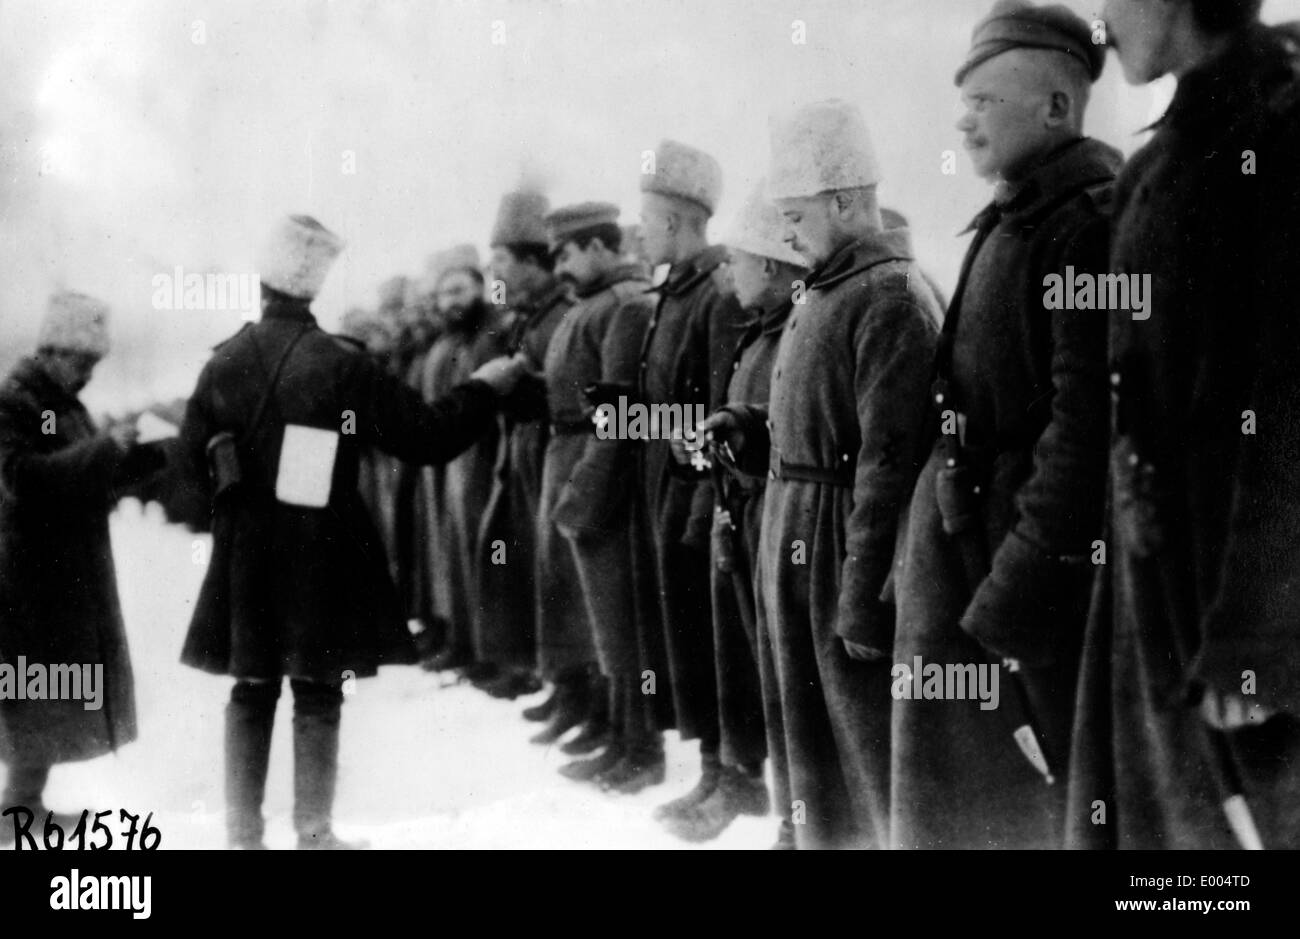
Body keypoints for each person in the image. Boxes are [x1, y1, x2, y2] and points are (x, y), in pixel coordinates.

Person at [176, 215, 525, 849]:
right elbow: (425, 436)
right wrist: (483, 387)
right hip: (320, 551)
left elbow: (185, 476)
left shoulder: (221, 364)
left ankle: (241, 836)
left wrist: (236, 507)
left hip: (247, 555)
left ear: (263, 282)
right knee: (316, 689)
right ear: (316, 284)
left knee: (250, 688)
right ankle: (314, 833)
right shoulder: (340, 363)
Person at [1068, 0, 1300, 849]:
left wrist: (1261, 633)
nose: (1101, 15)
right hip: (1157, 595)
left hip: (1248, 627)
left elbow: (1290, 406)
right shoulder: (1154, 166)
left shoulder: (1281, 135)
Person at [891, 0, 1117, 850]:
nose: (963, 117)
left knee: (1055, 797)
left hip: (1032, 584)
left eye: (985, 99)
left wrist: (1016, 589)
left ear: (1056, 108)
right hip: (972, 556)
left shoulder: (1085, 228)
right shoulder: (1014, 218)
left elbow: (1083, 431)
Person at [701, 100, 940, 848]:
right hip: (795, 532)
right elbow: (817, 421)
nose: (787, 231)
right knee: (801, 728)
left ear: (843, 200)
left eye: (796, 213)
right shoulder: (826, 290)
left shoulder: (892, 295)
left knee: (857, 743)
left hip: (840, 546)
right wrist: (748, 428)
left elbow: (889, 463)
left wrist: (867, 593)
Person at [669, 180, 807, 843]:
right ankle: (763, 797)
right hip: (741, 519)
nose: (729, 273)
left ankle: (796, 817)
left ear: (774, 266)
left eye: (741, 260)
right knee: (753, 672)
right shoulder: (760, 336)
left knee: (786, 682)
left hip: (778, 523)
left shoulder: (794, 335)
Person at [0, 291, 165, 845]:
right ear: (54, 350)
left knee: (45, 689)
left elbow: (88, 481)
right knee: (29, 689)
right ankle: (15, 808)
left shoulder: (62, 406)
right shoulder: (17, 402)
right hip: (27, 576)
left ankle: (23, 804)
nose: (90, 375)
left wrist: (148, 455)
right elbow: (22, 479)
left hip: (61, 574)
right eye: (84, 362)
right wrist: (102, 450)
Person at [634, 138, 749, 814]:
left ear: (676, 222)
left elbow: (722, 406)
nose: (639, 230)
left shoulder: (716, 293)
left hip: (705, 496)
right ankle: (712, 768)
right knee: (686, 632)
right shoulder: (674, 291)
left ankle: (736, 777)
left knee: (716, 635)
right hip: (670, 489)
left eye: (647, 219)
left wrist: (708, 498)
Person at [531, 202, 660, 786]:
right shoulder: (591, 307)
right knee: (590, 610)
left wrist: (586, 487)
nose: (559, 265)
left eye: (567, 252)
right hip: (572, 456)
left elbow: (621, 410)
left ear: (602, 247)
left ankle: (640, 747)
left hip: (599, 466)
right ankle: (612, 731)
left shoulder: (625, 305)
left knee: (618, 613)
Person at [476, 189, 574, 702]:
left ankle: (572, 690)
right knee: (531, 567)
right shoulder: (528, 316)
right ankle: (552, 680)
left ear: (534, 262)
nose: (494, 274)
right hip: (525, 453)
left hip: (551, 454)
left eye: (501, 261)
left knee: (557, 573)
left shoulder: (561, 315)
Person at [415, 245, 513, 679]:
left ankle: (497, 654)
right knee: (454, 554)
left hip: (489, 458)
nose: (450, 302)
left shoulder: (494, 333)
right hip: (452, 462)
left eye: (458, 289)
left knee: (491, 556)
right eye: (443, 294)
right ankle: (464, 642)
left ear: (480, 286)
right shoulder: (448, 343)